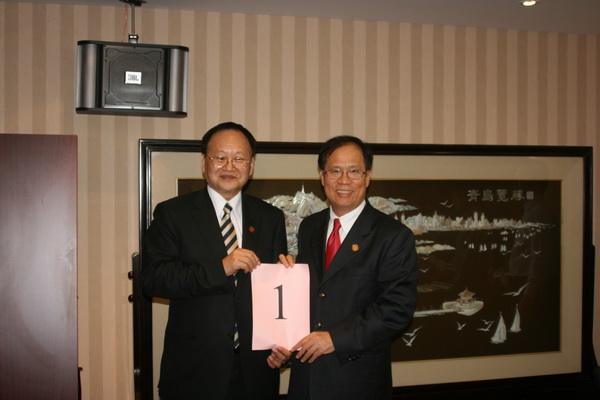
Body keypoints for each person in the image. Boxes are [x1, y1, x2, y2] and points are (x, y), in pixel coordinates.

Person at [142, 122, 289, 400]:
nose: (229, 166)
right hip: (194, 369)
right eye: (220, 157)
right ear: (204, 162)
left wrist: (283, 340)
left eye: (239, 158)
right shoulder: (173, 213)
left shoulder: (270, 217)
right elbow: (154, 279)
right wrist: (222, 267)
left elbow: (274, 293)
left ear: (251, 165)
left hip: (255, 370)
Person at [271, 136, 418, 399]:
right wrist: (287, 280)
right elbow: (313, 296)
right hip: (306, 377)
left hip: (356, 378)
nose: (344, 181)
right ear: (322, 176)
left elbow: (397, 308)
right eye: (335, 171)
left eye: (354, 171)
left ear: (367, 177)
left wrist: (334, 338)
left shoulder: (393, 236)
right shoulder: (310, 227)